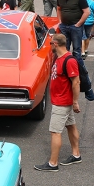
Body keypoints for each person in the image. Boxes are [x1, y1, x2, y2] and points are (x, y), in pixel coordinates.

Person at [36, 33, 82, 171]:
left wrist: (75, 102)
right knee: (71, 126)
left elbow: (76, 82)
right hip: (61, 100)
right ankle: (76, 154)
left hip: (62, 102)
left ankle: (53, 163)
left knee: (55, 132)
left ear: (55, 44)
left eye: (50, 43)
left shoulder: (69, 60)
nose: (49, 46)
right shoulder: (59, 58)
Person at [57, 0, 94, 101]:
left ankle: (86, 84)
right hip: (64, 26)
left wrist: (78, 24)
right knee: (64, 52)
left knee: (77, 55)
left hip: (75, 27)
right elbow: (59, 8)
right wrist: (60, 22)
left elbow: (87, 12)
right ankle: (65, 76)